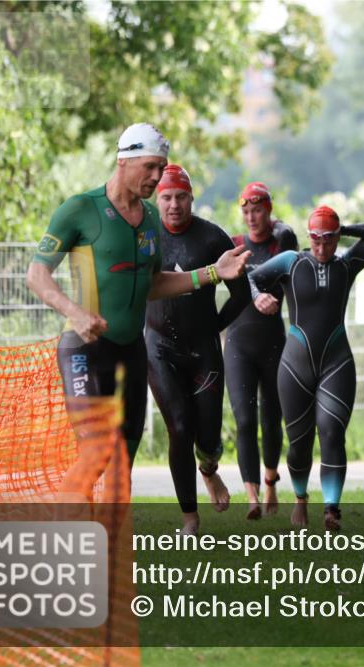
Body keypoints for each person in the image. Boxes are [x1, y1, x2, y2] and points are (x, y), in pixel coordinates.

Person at [26, 123, 249, 497]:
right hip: (84, 348)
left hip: (131, 351)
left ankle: (108, 533)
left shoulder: (149, 217)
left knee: (123, 463)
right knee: (96, 451)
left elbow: (153, 284)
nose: (157, 176)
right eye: (150, 166)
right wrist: (75, 312)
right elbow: (37, 274)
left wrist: (213, 272)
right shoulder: (81, 209)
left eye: (161, 167)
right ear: (123, 160)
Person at [250, 206, 364, 531]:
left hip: (336, 362)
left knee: (331, 432)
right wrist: (258, 298)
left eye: (329, 240)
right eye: (316, 240)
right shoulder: (292, 262)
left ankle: (331, 509)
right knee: (299, 443)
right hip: (294, 366)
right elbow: (251, 276)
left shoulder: (346, 264)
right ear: (308, 237)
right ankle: (300, 498)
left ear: (336, 239)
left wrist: (343, 228)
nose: (322, 248)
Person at [145, 164, 252, 535]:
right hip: (158, 347)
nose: (174, 205)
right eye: (166, 198)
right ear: (157, 199)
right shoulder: (145, 237)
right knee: (179, 426)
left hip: (202, 348)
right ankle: (189, 517)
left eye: (181, 197)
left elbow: (242, 295)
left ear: (191, 198)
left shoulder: (212, 238)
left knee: (207, 437)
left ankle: (208, 468)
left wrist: (215, 327)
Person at [223, 182, 298, 519]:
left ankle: (270, 481)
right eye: (247, 212)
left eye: (258, 211)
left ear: (268, 211)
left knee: (271, 420)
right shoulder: (235, 245)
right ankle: (251, 495)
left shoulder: (281, 243)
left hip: (273, 343)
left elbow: (290, 238)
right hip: (238, 342)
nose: (252, 217)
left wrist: (279, 226)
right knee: (244, 420)